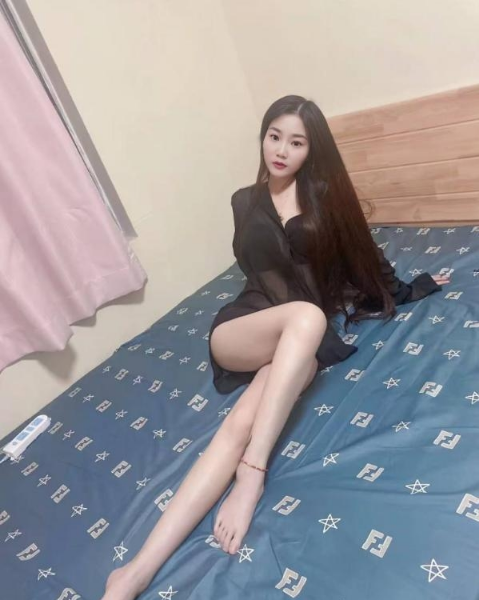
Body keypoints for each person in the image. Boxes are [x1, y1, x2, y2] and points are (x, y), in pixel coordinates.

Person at [101, 95, 450, 600]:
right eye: (274, 136)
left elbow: (365, 258)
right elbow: (256, 273)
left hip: (297, 343)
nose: (282, 150)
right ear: (263, 137)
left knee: (240, 424)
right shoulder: (243, 201)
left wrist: (409, 288)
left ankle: (135, 572)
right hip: (244, 328)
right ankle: (253, 475)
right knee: (307, 317)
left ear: (312, 150)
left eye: (296, 142)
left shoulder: (329, 201)